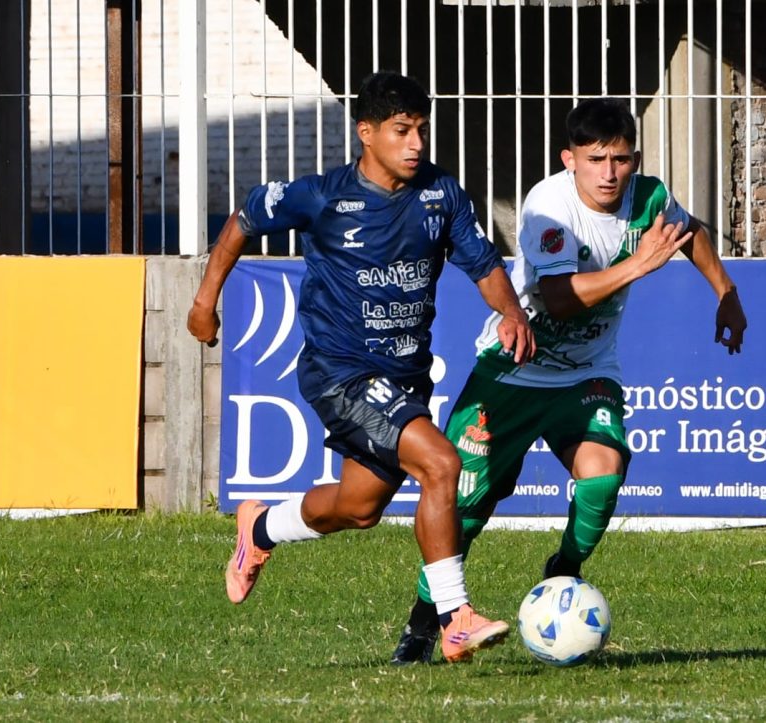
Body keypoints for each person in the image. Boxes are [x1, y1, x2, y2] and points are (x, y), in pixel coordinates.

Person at [187, 71, 535, 663]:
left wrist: (511, 314)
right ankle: (456, 618)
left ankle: (260, 529)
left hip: (403, 376)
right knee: (441, 462)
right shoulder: (323, 196)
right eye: (402, 131)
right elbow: (244, 220)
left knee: (359, 506)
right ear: (366, 133)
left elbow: (482, 264)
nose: (416, 143)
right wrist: (203, 301)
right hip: (339, 371)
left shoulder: (441, 195)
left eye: (422, 130)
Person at [390, 97, 747, 665]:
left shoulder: (648, 198)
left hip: (587, 374)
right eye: (596, 158)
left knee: (604, 476)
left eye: (622, 159)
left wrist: (725, 293)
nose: (610, 173)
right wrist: (638, 265)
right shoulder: (548, 205)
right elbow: (559, 297)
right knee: (467, 509)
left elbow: (690, 230)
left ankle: (563, 573)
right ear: (569, 158)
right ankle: (422, 627)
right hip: (512, 370)